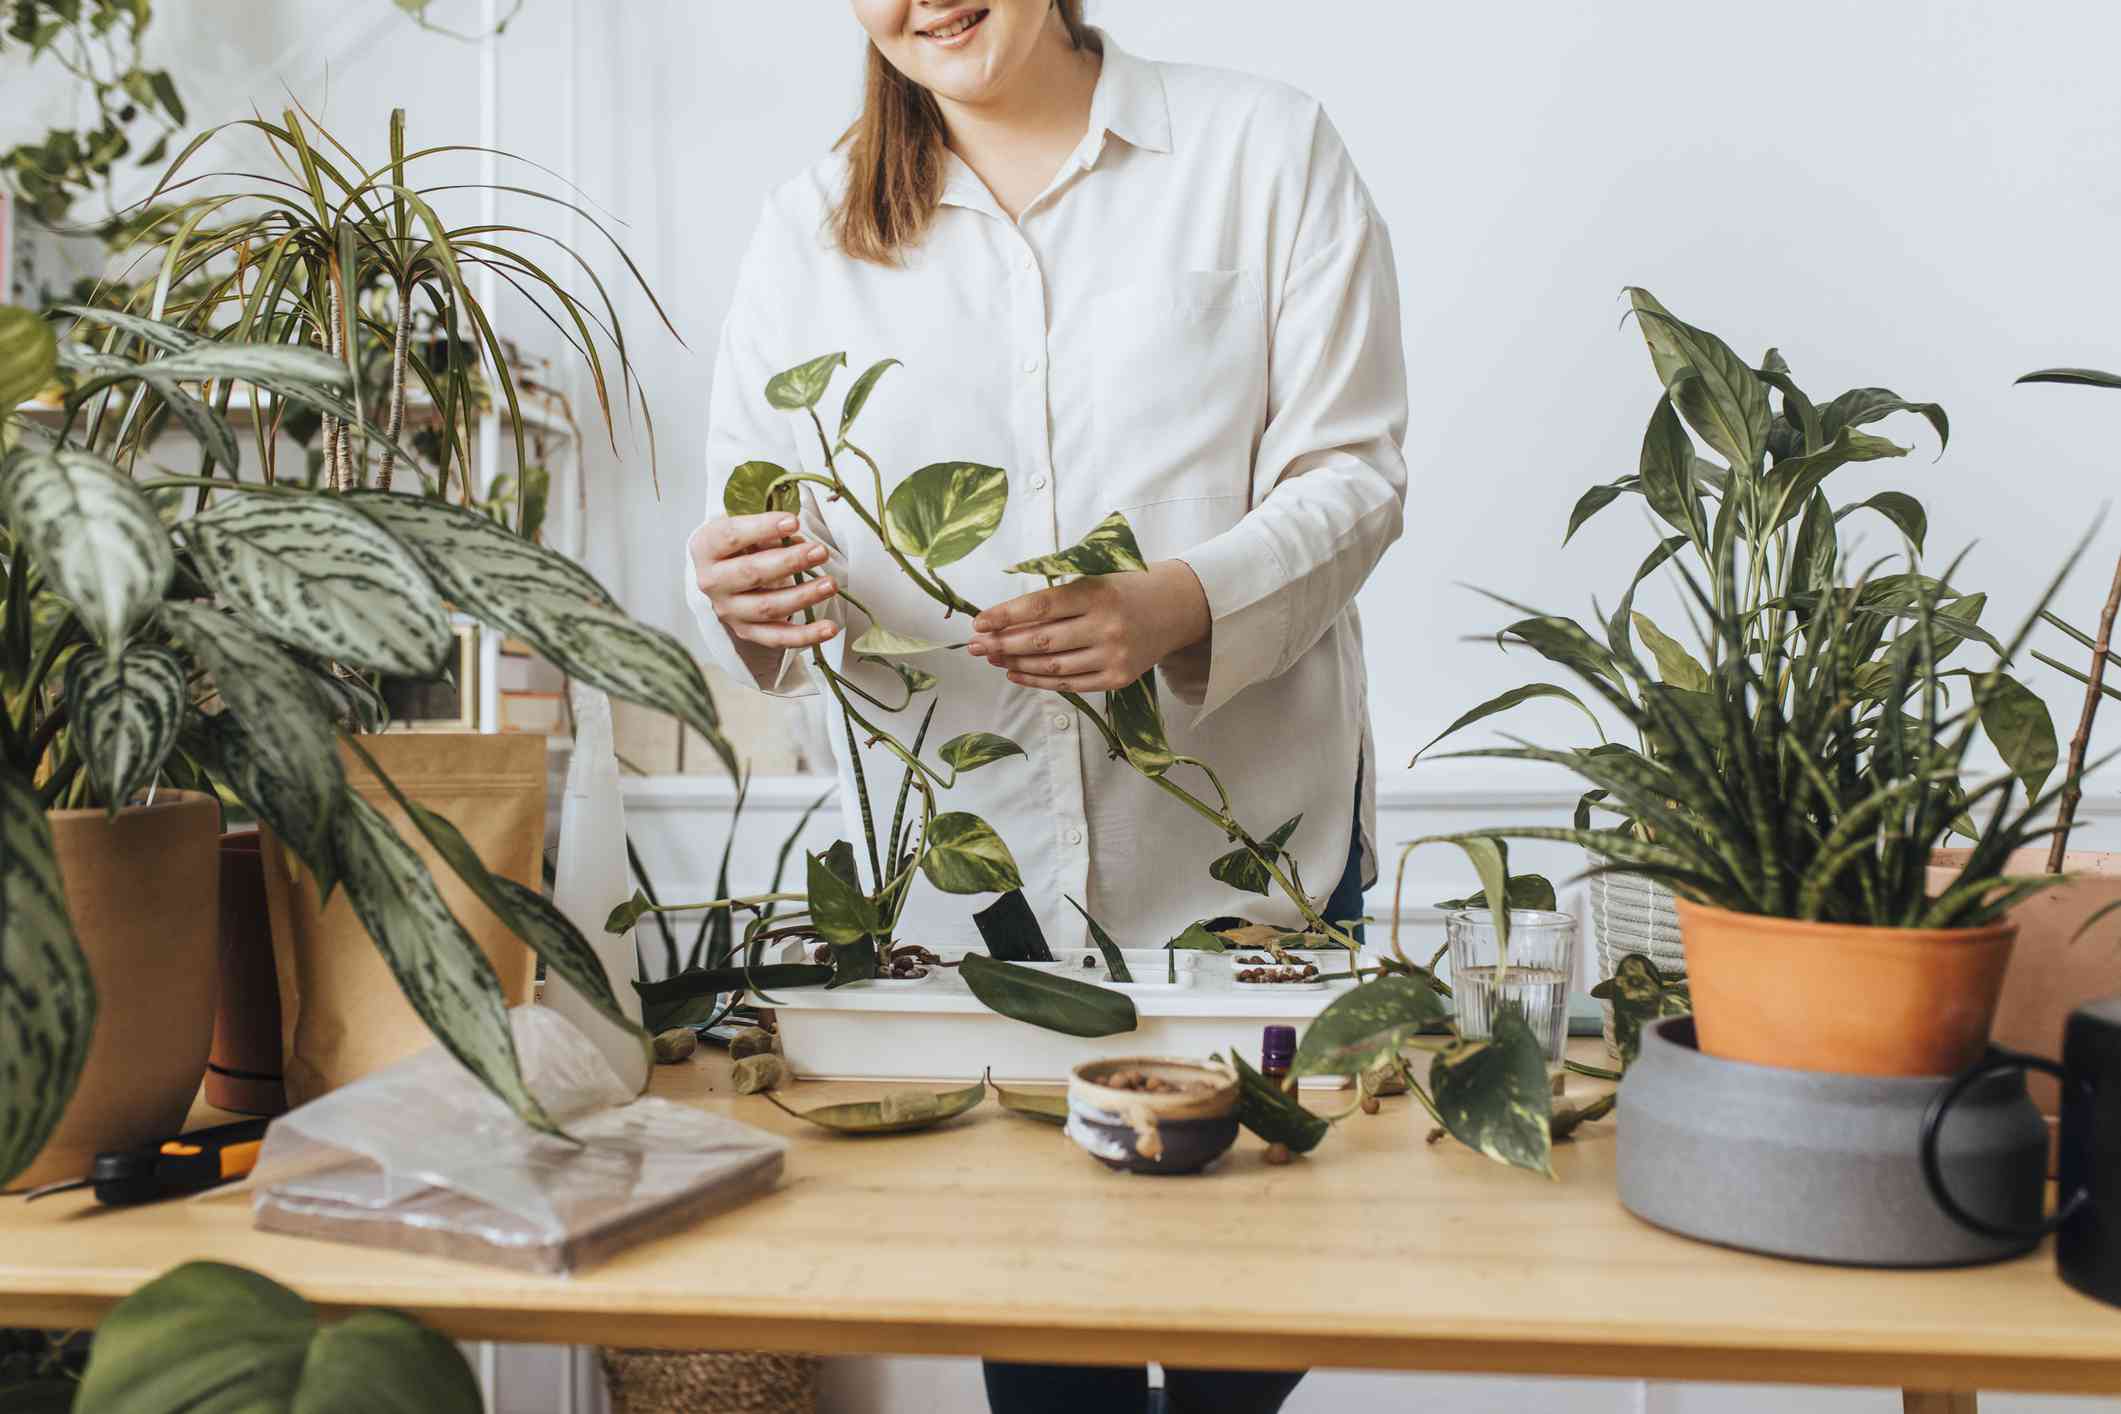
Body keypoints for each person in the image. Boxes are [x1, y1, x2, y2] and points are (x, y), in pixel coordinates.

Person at [685, 3, 1407, 1409]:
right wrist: (734, 588)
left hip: (1246, 886)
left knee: (1240, 1353)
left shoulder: (1261, 151)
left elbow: (1356, 474)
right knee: (1046, 1381)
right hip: (975, 930)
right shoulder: (805, 227)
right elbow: (742, 526)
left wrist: (1177, 602)